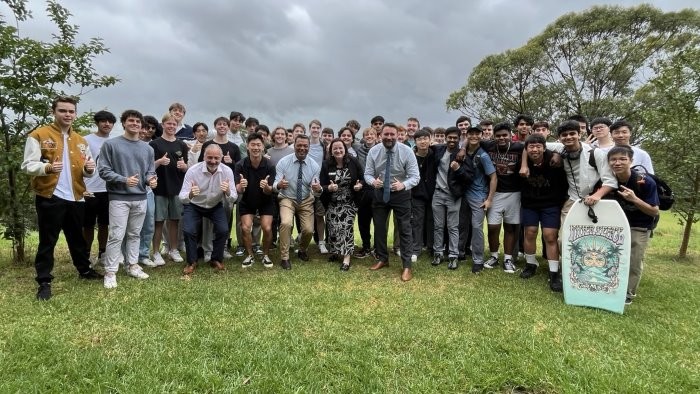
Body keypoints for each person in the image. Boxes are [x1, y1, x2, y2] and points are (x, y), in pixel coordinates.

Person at [21, 96, 103, 300]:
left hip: (76, 195)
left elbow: (87, 170)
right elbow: (27, 165)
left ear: (75, 114)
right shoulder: (39, 135)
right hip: (50, 195)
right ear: (53, 112)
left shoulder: (81, 141)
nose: (67, 115)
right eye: (63, 111)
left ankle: (84, 270)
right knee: (48, 240)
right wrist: (47, 167)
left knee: (77, 238)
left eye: (71, 111)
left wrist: (89, 169)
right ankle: (44, 281)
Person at [98, 110, 158, 289]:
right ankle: (110, 271)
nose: (135, 124)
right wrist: (124, 179)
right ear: (123, 123)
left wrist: (151, 180)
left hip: (141, 197)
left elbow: (150, 171)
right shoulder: (111, 145)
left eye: (138, 122)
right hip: (119, 197)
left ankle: (132, 265)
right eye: (131, 121)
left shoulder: (148, 148)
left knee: (134, 234)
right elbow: (103, 170)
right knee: (116, 235)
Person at [364, 123, 420, 282]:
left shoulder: (407, 151)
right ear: (380, 135)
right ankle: (382, 259)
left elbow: (415, 177)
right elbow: (367, 174)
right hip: (380, 193)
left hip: (401, 193)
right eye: (386, 134)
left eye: (392, 135)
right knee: (380, 228)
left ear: (397, 135)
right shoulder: (374, 151)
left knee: (405, 229)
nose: (389, 137)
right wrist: (372, 182)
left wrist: (403, 184)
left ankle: (407, 265)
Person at [607, 145, 659, 305]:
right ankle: (609, 284)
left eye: (623, 159)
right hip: (616, 225)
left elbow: (654, 211)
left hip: (639, 225)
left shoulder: (644, 181)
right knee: (612, 257)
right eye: (613, 159)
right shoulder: (609, 181)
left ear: (631, 161)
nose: (618, 163)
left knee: (634, 259)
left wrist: (634, 199)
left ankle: (628, 293)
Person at [519, 134, 568, 291]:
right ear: (526, 150)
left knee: (550, 236)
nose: (535, 149)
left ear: (544, 147)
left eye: (538, 146)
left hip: (550, 204)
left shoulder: (554, 161)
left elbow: (563, 183)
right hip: (530, 204)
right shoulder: (522, 163)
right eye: (531, 146)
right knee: (530, 232)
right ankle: (530, 264)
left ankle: (554, 272)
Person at [180, 144, 237, 274]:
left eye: (216, 158)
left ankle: (216, 259)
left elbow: (233, 197)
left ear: (221, 157)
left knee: (223, 230)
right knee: (189, 230)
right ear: (204, 156)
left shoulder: (227, 171)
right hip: (194, 205)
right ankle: (192, 261)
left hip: (214, 206)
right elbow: (182, 197)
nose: (213, 161)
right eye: (209, 157)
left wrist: (227, 191)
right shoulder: (193, 170)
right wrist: (190, 194)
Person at [273, 134, 322, 269]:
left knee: (308, 230)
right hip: (287, 198)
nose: (302, 148)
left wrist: (318, 188)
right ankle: (284, 257)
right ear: (294, 146)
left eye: (305, 146)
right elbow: (275, 184)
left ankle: (302, 250)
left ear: (309, 147)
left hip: (306, 199)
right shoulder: (283, 162)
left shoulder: (314, 166)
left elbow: (317, 187)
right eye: (299, 145)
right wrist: (279, 185)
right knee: (286, 223)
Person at [482, 122, 524, 274]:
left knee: (510, 227)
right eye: (498, 135)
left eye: (504, 135)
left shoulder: (519, 147)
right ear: (494, 136)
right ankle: (493, 256)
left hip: (514, 192)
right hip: (495, 193)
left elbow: (534, 145)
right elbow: (469, 140)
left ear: (510, 135)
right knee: (493, 227)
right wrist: (461, 148)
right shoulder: (488, 145)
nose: (501, 138)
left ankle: (507, 258)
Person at [150, 112, 190, 265]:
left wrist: (184, 166)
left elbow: (186, 168)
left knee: (175, 221)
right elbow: (148, 167)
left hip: (177, 188)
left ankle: (174, 249)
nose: (172, 126)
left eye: (174, 124)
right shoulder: (155, 144)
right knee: (159, 221)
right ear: (163, 125)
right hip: (159, 188)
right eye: (169, 124)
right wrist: (159, 161)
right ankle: (155, 252)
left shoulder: (181, 145)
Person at [431, 126, 473, 270]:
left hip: (453, 195)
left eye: (455, 138)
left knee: (453, 227)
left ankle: (453, 255)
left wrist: (458, 169)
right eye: (450, 137)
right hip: (437, 194)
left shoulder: (462, 155)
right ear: (445, 137)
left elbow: (469, 177)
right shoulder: (439, 150)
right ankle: (438, 253)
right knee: (437, 226)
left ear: (459, 139)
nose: (452, 140)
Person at [320, 138, 364, 270]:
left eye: (340, 148)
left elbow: (362, 178)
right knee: (333, 228)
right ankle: (335, 251)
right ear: (331, 151)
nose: (338, 150)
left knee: (346, 228)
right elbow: (322, 185)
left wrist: (359, 185)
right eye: (335, 149)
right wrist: (329, 188)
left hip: (349, 202)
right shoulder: (326, 164)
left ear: (345, 149)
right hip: (332, 202)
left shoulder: (353, 161)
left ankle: (346, 258)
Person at [235, 133, 276, 268]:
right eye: (253, 145)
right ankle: (250, 255)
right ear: (247, 146)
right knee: (245, 228)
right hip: (248, 200)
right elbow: (238, 190)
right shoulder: (240, 165)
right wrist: (241, 185)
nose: (256, 147)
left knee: (267, 227)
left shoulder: (270, 165)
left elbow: (270, 190)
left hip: (266, 200)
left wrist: (266, 187)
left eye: (258, 145)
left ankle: (265, 255)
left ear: (263, 147)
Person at [83, 110, 116, 266]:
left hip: (108, 189)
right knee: (88, 225)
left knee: (105, 224)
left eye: (110, 121)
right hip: (89, 189)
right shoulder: (85, 140)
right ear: (97, 122)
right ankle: (86, 254)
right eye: (103, 121)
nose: (107, 124)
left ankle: (103, 253)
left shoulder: (115, 142)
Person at [463, 126, 497, 273]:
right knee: (461, 225)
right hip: (463, 193)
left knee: (477, 227)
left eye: (477, 134)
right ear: (467, 135)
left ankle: (478, 260)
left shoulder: (483, 155)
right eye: (471, 134)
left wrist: (489, 199)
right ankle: (460, 252)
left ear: (481, 135)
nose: (474, 136)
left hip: (479, 196)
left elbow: (493, 178)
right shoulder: (464, 151)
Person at [410, 129, 435, 263]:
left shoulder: (435, 153)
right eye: (419, 139)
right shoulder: (411, 156)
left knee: (432, 221)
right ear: (415, 142)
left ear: (430, 140)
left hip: (433, 194)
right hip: (417, 194)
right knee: (417, 222)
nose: (423, 141)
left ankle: (431, 247)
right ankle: (416, 249)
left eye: (425, 138)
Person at [353, 127, 378, 258]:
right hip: (363, 189)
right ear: (363, 137)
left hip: (377, 188)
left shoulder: (381, 149)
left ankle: (378, 249)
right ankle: (366, 247)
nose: (369, 136)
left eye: (372, 134)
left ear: (376, 136)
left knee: (378, 221)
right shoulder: (359, 150)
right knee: (363, 220)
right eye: (367, 134)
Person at [306, 119, 328, 254]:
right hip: (305, 184)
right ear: (310, 129)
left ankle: (321, 242)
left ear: (320, 130)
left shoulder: (324, 146)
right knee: (306, 215)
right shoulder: (304, 143)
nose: (315, 130)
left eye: (318, 128)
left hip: (319, 184)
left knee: (320, 215)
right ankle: (305, 242)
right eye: (313, 128)